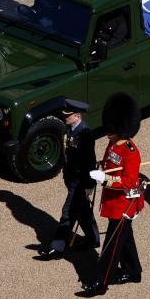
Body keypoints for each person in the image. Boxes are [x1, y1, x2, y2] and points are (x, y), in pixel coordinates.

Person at [83, 92, 144, 294]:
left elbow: (129, 181)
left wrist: (106, 179)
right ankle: (133, 271)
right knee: (124, 239)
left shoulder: (130, 151)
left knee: (111, 245)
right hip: (113, 200)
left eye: (111, 130)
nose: (108, 133)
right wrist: (101, 168)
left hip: (123, 204)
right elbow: (109, 162)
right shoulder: (113, 142)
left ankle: (101, 281)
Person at [39, 99, 99, 258]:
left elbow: (89, 161)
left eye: (68, 115)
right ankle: (93, 239)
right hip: (72, 177)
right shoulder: (70, 129)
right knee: (82, 210)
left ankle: (57, 248)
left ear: (77, 116)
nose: (65, 117)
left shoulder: (85, 134)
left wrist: (88, 184)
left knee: (68, 213)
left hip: (80, 180)